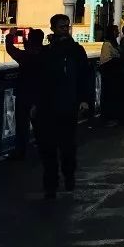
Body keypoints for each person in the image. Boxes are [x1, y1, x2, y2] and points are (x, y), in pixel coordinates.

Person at [32, 13, 91, 199]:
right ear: (53, 29)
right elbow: (39, 80)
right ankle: (51, 185)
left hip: (68, 105)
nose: (65, 30)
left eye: (67, 26)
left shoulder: (76, 51)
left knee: (67, 147)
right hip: (47, 106)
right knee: (48, 148)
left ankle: (68, 175)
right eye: (61, 27)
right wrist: (35, 103)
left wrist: (83, 99)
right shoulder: (46, 53)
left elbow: (84, 76)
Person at [3, 27, 45, 158]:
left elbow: (11, 49)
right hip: (40, 94)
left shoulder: (25, 56)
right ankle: (43, 149)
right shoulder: (46, 54)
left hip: (24, 93)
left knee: (22, 124)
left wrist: (11, 36)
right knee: (39, 123)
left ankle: (21, 150)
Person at [97, 23, 123, 123]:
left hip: (114, 75)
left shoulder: (113, 43)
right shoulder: (107, 44)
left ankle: (112, 115)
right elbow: (106, 60)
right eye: (116, 31)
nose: (118, 33)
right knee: (109, 96)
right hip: (110, 75)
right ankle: (108, 116)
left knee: (113, 96)